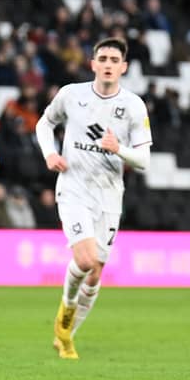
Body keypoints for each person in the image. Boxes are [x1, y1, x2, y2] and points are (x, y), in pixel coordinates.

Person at [35, 37, 152, 359]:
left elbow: (144, 160)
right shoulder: (72, 95)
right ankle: (66, 313)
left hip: (110, 195)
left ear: (124, 67)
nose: (109, 64)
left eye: (115, 59)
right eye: (103, 58)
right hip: (74, 187)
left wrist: (119, 149)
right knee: (84, 261)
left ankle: (67, 335)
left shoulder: (133, 106)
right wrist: (49, 154)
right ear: (93, 64)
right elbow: (45, 124)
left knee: (97, 272)